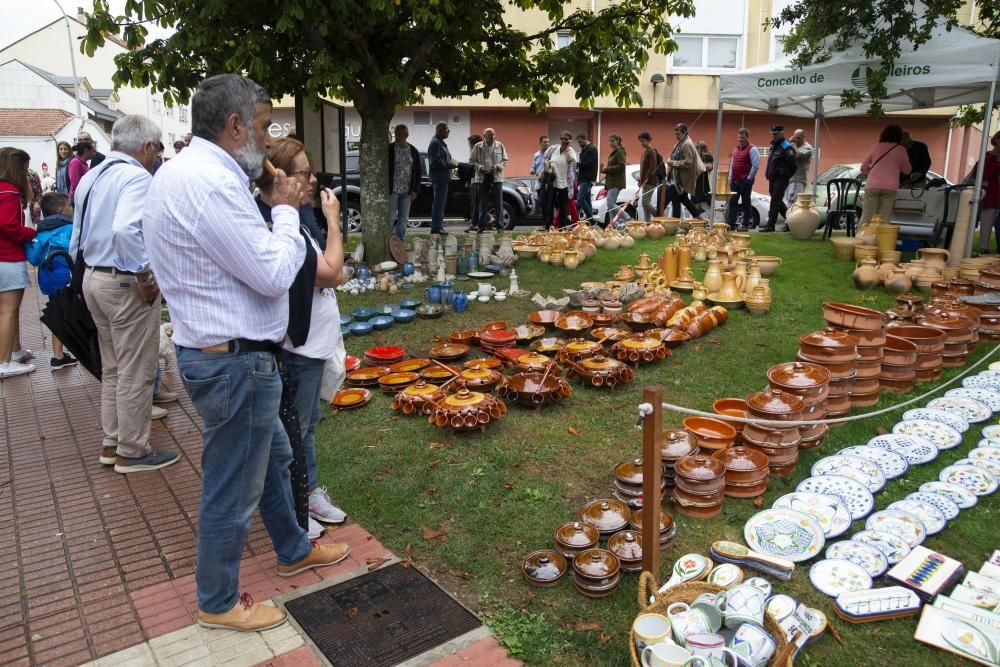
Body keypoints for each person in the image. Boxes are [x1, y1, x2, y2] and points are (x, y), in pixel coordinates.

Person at [143, 73, 350, 633]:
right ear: (234, 126)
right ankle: (217, 601)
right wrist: (284, 209)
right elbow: (272, 273)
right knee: (233, 485)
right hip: (233, 361)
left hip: (228, 354)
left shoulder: (188, 172)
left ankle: (292, 545)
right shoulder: (211, 182)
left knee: (277, 459)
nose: (268, 136)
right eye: (262, 125)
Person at [70, 115, 176, 470]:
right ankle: (133, 449)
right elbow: (126, 230)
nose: (157, 156)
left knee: (114, 367)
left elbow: (77, 233)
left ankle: (112, 441)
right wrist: (145, 275)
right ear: (146, 146)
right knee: (135, 369)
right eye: (158, 149)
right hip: (122, 281)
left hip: (93, 278)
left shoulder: (91, 175)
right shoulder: (135, 176)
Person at [255, 137, 348, 539]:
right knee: (299, 429)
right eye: (302, 173)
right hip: (300, 347)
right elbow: (332, 272)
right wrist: (333, 220)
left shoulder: (293, 217)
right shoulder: (279, 221)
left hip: (311, 345)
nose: (311, 180)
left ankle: (305, 493)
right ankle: (302, 498)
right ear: (279, 177)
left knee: (304, 424)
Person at [25, 192, 77, 370]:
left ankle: (58, 355)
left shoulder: (42, 231)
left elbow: (33, 257)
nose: (72, 209)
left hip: (48, 279)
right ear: (62, 210)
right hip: (67, 278)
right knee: (74, 314)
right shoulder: (69, 229)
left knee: (57, 314)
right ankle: (85, 350)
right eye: (69, 206)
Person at [0, 148, 37, 378]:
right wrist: (30, 233)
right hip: (8, 257)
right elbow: (8, 225)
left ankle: (14, 352)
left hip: (3, 257)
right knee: (9, 310)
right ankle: (4, 362)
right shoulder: (10, 192)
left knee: (7, 310)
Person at [859, 124, 911, 229]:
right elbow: (907, 171)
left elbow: (863, 168)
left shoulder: (876, 147)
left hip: (873, 185)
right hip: (890, 187)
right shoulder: (901, 150)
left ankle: (859, 241)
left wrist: (874, 174)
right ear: (899, 136)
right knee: (884, 217)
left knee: (867, 216)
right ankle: (880, 242)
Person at [964, 131, 1000, 254]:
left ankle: (985, 248)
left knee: (991, 222)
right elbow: (982, 174)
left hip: (995, 193)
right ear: (996, 140)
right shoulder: (987, 156)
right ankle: (976, 247)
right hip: (985, 192)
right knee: (979, 220)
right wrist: (997, 165)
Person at [387, 124, 421, 241]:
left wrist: (415, 190)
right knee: (390, 218)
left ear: (406, 135)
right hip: (393, 190)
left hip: (407, 191)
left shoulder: (413, 151)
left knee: (403, 218)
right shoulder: (390, 149)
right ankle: (387, 241)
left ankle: (399, 242)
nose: (398, 138)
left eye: (401, 135)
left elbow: (418, 172)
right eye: (396, 135)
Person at [470, 128, 509, 231]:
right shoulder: (477, 146)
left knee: (498, 204)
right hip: (482, 178)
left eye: (493, 135)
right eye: (489, 135)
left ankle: (500, 228)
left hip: (496, 177)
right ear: (484, 136)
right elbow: (472, 161)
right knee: (482, 204)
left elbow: (505, 160)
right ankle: (481, 227)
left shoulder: (500, 145)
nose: (492, 137)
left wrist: (498, 167)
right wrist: (479, 168)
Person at [665, 123, 706, 220]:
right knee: (684, 200)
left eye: (678, 134)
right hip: (677, 179)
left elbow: (688, 162)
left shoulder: (687, 144)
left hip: (681, 180)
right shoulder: (681, 142)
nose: (676, 136)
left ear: (685, 133)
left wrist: (673, 163)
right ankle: (702, 220)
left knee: (676, 200)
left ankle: (674, 224)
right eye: (675, 134)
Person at [763, 125, 798, 232]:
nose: (773, 136)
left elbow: (793, 166)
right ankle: (792, 221)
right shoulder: (774, 146)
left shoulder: (786, 146)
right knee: (777, 201)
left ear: (782, 133)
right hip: (772, 178)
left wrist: (784, 175)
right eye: (772, 134)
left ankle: (770, 226)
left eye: (776, 134)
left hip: (781, 179)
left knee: (775, 201)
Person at [542, 131, 577, 230]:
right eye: (562, 138)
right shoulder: (554, 149)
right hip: (553, 181)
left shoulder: (571, 151)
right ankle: (548, 226)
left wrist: (567, 149)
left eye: (566, 139)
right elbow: (546, 158)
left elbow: (570, 160)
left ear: (569, 140)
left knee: (563, 207)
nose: (563, 141)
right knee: (550, 204)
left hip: (565, 183)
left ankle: (562, 227)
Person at [727, 128, 760, 231]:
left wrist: (749, 179)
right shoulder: (736, 149)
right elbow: (732, 165)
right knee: (733, 203)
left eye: (742, 137)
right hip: (735, 182)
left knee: (746, 203)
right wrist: (730, 178)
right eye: (739, 137)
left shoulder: (752, 149)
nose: (740, 139)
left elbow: (755, 165)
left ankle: (745, 225)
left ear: (747, 137)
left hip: (745, 181)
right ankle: (731, 225)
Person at [427, 121, 453, 235]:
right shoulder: (435, 143)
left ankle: (438, 226)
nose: (449, 132)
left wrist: (451, 163)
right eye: (447, 129)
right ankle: (436, 227)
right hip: (439, 178)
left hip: (443, 177)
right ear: (440, 130)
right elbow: (434, 162)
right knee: (439, 203)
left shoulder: (441, 142)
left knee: (441, 203)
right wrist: (449, 164)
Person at [600, 133, 629, 227]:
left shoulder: (620, 151)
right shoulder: (615, 151)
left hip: (616, 182)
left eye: (613, 141)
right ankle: (613, 225)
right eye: (609, 141)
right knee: (610, 205)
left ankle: (626, 217)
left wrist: (607, 169)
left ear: (618, 141)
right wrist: (604, 170)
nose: (610, 143)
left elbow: (621, 166)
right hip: (612, 181)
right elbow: (614, 167)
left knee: (610, 203)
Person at [783, 129, 813, 208]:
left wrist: (792, 144)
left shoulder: (808, 148)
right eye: (795, 137)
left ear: (804, 137)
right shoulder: (793, 146)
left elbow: (797, 156)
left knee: (793, 202)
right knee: (787, 200)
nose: (796, 140)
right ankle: (789, 218)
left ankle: (791, 219)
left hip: (798, 179)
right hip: (789, 178)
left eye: (798, 138)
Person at [576, 133, 598, 222]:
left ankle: (591, 219)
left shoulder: (591, 149)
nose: (579, 144)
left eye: (580, 142)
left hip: (588, 178)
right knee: (587, 199)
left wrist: (577, 164)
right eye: (578, 142)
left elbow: (590, 164)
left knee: (580, 198)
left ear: (585, 139)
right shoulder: (585, 149)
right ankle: (591, 219)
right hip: (584, 178)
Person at [638, 131, 659, 221]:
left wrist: (647, 179)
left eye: (643, 141)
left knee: (646, 202)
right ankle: (647, 223)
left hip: (650, 182)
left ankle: (659, 216)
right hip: (644, 182)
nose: (642, 143)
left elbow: (653, 168)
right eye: (640, 141)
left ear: (648, 140)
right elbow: (643, 169)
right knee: (644, 203)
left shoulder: (651, 151)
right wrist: (640, 180)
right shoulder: (645, 152)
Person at [530, 135, 549, 216]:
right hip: (538, 182)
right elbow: (533, 167)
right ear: (540, 143)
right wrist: (532, 170)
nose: (547, 143)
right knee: (542, 203)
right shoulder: (536, 155)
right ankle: (545, 223)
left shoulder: (550, 154)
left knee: (543, 201)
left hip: (547, 182)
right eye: (545, 142)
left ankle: (548, 222)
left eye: (548, 142)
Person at [692, 140, 713, 211]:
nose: (695, 151)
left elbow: (709, 166)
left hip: (703, 188)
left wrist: (697, 165)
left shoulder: (706, 156)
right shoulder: (697, 157)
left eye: (696, 149)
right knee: (694, 209)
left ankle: (713, 221)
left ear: (701, 149)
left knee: (705, 206)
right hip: (697, 188)